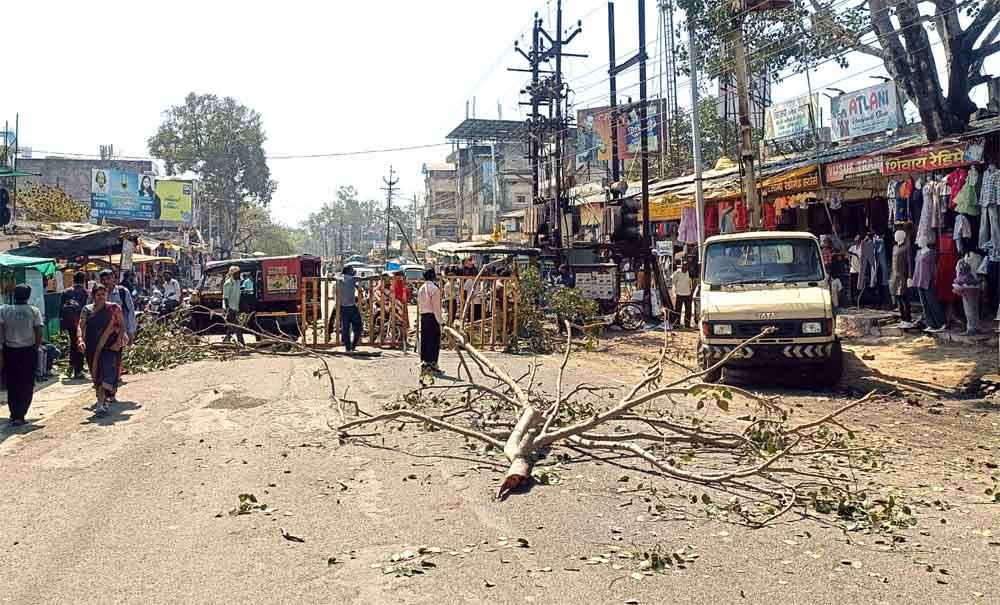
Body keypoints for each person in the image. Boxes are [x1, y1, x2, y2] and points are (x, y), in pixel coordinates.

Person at [78, 284, 126, 416]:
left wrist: (119, 341)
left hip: (110, 347)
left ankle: (101, 403)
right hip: (92, 348)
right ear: (93, 296)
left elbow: (121, 325)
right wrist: (80, 340)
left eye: (103, 294)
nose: (101, 297)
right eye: (98, 295)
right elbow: (81, 326)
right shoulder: (87, 310)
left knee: (107, 372)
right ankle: (102, 401)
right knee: (97, 375)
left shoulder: (114, 308)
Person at [0, 284, 44, 425]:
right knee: (26, 383)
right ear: (28, 296)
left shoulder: (4, 310)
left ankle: (14, 414)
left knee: (12, 382)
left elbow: (1, 329)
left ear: (14, 294)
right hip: (28, 351)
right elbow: (39, 331)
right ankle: (20, 414)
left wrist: (2, 346)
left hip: (10, 350)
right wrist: (36, 347)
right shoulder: (33, 311)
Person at [60, 271, 90, 379]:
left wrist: (62, 324)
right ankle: (78, 370)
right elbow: (87, 308)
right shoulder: (85, 292)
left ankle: (72, 366)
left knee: (73, 343)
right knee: (80, 344)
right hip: (80, 322)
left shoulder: (65, 292)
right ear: (84, 280)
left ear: (73, 279)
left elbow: (60, 309)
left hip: (68, 322)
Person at [417, 268, 443, 374]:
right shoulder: (435, 289)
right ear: (433, 277)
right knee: (433, 342)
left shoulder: (421, 289)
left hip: (424, 317)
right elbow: (436, 308)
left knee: (425, 341)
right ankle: (432, 365)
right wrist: (441, 321)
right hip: (432, 318)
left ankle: (424, 365)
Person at [338, 266, 363, 352]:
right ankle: (353, 346)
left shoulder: (341, 279)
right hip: (351, 307)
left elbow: (336, 277)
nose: (353, 271)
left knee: (346, 328)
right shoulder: (352, 279)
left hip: (344, 307)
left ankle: (348, 348)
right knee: (358, 326)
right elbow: (361, 278)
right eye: (352, 270)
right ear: (348, 272)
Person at [222, 266, 246, 348]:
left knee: (231, 327)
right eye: (237, 274)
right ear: (232, 274)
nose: (238, 275)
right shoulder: (228, 283)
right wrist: (228, 310)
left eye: (239, 273)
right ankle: (242, 344)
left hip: (235, 308)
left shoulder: (237, 282)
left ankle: (226, 341)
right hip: (230, 309)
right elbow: (225, 298)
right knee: (237, 327)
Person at [671, 262, 694, 329]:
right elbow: (673, 282)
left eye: (686, 266)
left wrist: (691, 291)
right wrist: (675, 292)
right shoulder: (677, 273)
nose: (685, 268)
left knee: (688, 310)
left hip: (688, 294)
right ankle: (677, 324)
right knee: (678, 310)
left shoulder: (689, 273)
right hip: (679, 294)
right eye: (684, 266)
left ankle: (687, 324)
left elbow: (691, 283)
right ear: (682, 266)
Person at [391, 271, 410, 348]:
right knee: (397, 323)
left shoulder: (402, 284)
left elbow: (407, 294)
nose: (400, 278)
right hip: (397, 305)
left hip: (402, 305)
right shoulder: (395, 284)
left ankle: (403, 340)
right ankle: (399, 340)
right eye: (398, 276)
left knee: (403, 323)